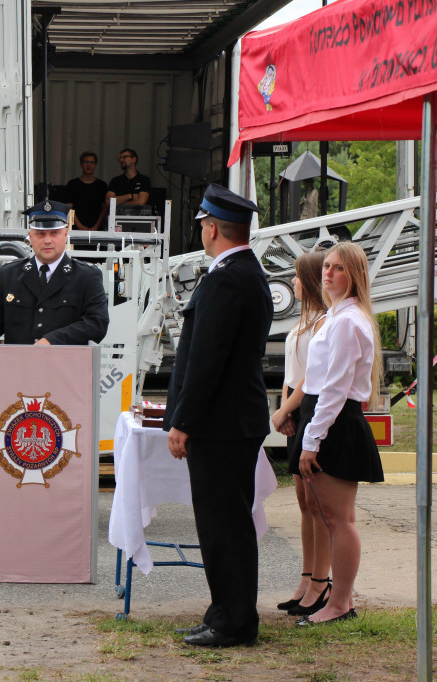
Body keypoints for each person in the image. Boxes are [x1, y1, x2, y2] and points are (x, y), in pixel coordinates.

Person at [164, 184, 272, 648]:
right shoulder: (239, 272)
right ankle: (225, 611)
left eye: (203, 226)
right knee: (225, 522)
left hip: (222, 424)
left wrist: (183, 421)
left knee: (223, 524)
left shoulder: (229, 277)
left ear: (211, 228)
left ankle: (234, 622)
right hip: (229, 421)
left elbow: (208, 360)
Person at [292, 241, 384, 626]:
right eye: (326, 266)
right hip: (326, 416)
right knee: (330, 516)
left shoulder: (347, 321)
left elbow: (334, 387)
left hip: (335, 420)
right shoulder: (337, 316)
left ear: (355, 275)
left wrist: (312, 440)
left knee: (338, 519)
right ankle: (334, 598)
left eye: (339, 268)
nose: (328, 272)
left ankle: (340, 602)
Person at [269, 250, 331, 617]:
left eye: (295, 276)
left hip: (310, 408)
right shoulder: (303, 319)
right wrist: (286, 407)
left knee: (320, 505)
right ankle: (307, 578)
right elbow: (293, 373)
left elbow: (313, 377)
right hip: (297, 408)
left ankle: (322, 582)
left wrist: (285, 409)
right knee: (305, 504)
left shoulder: (325, 321)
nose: (291, 282)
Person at [0, 200, 109, 346]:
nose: (47, 240)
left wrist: (53, 340)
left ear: (65, 235)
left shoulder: (86, 276)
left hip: (66, 366)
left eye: (54, 233)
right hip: (19, 365)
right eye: (40, 234)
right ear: (30, 236)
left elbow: (97, 323)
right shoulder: (9, 274)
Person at [66, 151, 108, 230]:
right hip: (76, 229)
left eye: (92, 162)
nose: (89, 165)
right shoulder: (72, 184)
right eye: (86, 162)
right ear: (81, 164)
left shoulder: (102, 185)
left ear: (95, 165)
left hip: (97, 230)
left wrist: (96, 226)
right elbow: (69, 208)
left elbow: (104, 209)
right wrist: (80, 226)